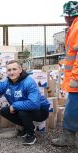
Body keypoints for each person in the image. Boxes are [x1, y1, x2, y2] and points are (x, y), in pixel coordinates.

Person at [0, 60, 50, 145]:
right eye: (9, 70)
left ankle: (31, 135)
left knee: (23, 111)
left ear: (20, 70)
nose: (11, 72)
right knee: (4, 111)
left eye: (14, 69)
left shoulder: (29, 82)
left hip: (40, 111)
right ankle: (28, 128)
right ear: (6, 72)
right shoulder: (6, 83)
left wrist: (15, 106)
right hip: (25, 109)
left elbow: (34, 104)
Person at [52, 1, 78, 147]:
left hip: (77, 80)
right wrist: (64, 62)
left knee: (71, 109)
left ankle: (69, 138)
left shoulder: (77, 28)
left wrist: (75, 77)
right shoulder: (74, 27)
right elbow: (73, 53)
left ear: (68, 16)